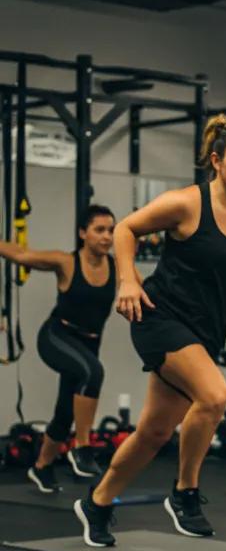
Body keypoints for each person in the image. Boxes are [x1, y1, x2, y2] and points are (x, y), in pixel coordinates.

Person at [72, 115, 226, 547]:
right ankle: (185, 492)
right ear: (217, 161)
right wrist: (128, 279)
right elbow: (126, 228)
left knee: (153, 433)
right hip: (159, 317)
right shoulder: (187, 204)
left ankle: (97, 502)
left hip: (205, 331)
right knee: (213, 396)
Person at [0, 205, 116, 492]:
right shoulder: (66, 262)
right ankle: (83, 448)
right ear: (83, 233)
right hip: (56, 337)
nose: (106, 236)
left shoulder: (117, 267)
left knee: (65, 412)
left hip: (89, 343)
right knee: (93, 373)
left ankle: (42, 467)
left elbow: (145, 291)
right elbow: (21, 255)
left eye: (111, 230)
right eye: (99, 230)